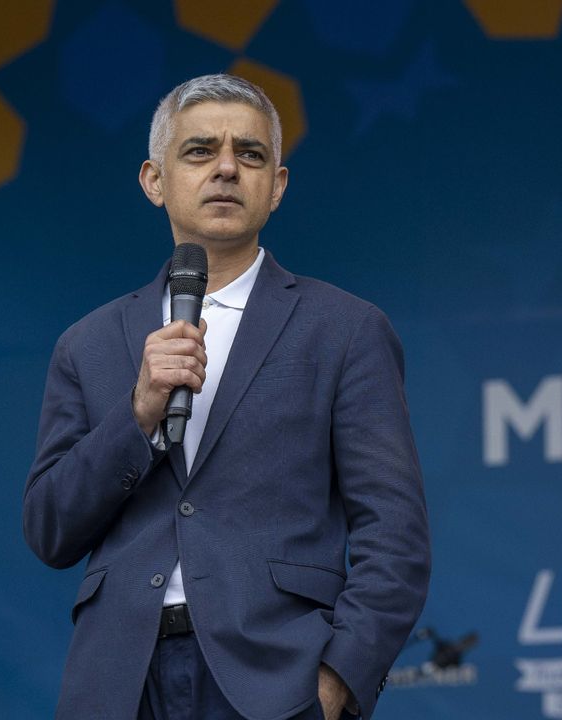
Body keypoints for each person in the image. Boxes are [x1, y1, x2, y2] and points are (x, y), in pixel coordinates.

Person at [23, 74, 431, 720]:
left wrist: (336, 684)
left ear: (278, 186)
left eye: (250, 154)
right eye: (199, 151)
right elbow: (49, 529)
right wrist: (137, 414)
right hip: (118, 685)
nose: (225, 169)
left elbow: (396, 535)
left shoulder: (345, 328)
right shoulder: (89, 343)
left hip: (278, 680)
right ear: (154, 181)